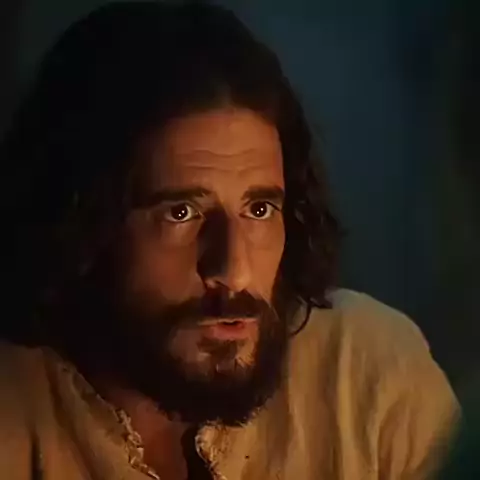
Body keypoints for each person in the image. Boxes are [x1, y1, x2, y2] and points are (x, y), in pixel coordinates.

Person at [0, 2, 459, 479]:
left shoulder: (367, 373)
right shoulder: (16, 408)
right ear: (79, 224)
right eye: (180, 213)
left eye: (259, 210)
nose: (234, 269)